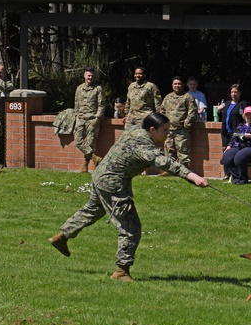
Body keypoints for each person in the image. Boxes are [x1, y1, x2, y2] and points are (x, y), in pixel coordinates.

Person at [48, 112, 208, 281]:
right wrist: (194, 177)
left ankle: (62, 236)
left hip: (100, 175)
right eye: (165, 130)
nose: (167, 133)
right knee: (131, 227)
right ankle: (121, 271)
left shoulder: (135, 129)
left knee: (94, 210)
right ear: (152, 129)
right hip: (113, 183)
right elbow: (165, 163)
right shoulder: (144, 147)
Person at [220, 106, 251, 184]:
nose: (249, 117)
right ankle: (237, 177)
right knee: (226, 157)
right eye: (247, 115)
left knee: (239, 156)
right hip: (240, 147)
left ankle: (243, 179)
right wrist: (229, 146)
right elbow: (234, 137)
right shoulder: (240, 126)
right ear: (244, 116)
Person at [160, 76, 199, 169]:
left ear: (183, 85)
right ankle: (170, 171)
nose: (177, 86)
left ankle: (184, 172)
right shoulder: (168, 97)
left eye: (179, 84)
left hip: (182, 131)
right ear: (172, 85)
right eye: (175, 84)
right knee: (169, 152)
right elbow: (162, 111)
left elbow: (192, 112)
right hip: (169, 131)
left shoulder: (188, 97)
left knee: (183, 153)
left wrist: (186, 124)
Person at [73, 68, 106, 173]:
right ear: (84, 76)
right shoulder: (79, 88)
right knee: (78, 141)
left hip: (92, 119)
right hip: (81, 118)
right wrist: (76, 115)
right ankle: (95, 158)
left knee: (91, 142)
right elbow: (76, 103)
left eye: (92, 76)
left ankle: (85, 166)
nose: (90, 77)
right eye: (88, 75)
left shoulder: (98, 89)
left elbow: (101, 105)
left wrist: (97, 118)